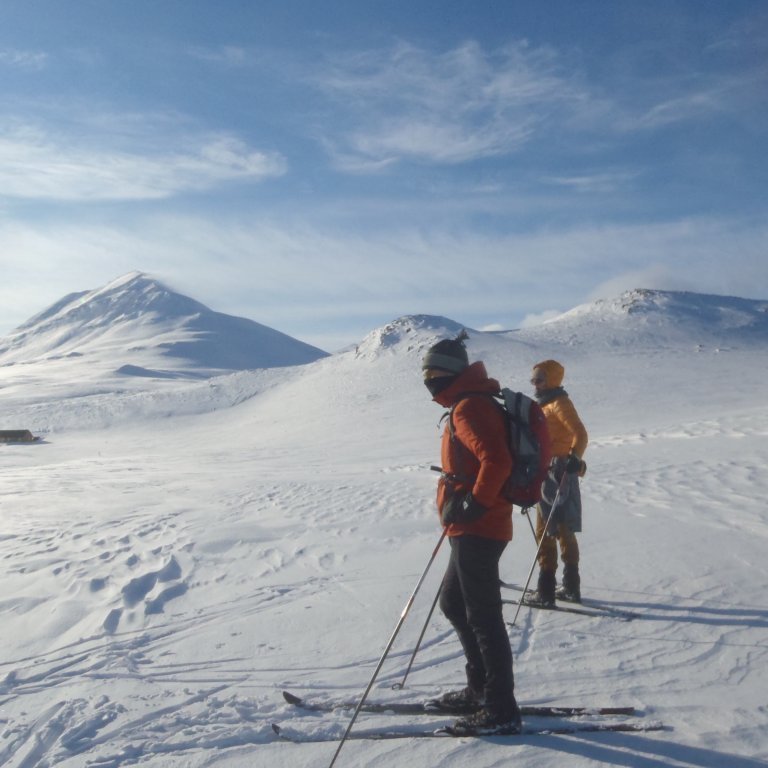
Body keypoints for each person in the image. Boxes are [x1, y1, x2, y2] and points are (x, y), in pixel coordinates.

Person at [422, 332, 522, 736]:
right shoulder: (466, 403)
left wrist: (474, 503)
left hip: (480, 525)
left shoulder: (470, 407)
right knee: (454, 604)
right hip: (468, 526)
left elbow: (495, 461)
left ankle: (500, 707)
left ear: (446, 373)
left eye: (430, 372)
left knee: (483, 616)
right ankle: (480, 688)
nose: (426, 379)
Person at [525, 360, 588, 606]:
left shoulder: (559, 403)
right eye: (533, 380)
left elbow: (580, 433)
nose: (535, 385)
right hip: (552, 468)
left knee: (547, 530)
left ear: (551, 380)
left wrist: (574, 459)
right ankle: (570, 586)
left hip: (556, 471)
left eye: (539, 380)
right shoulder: (547, 403)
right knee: (562, 528)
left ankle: (546, 590)